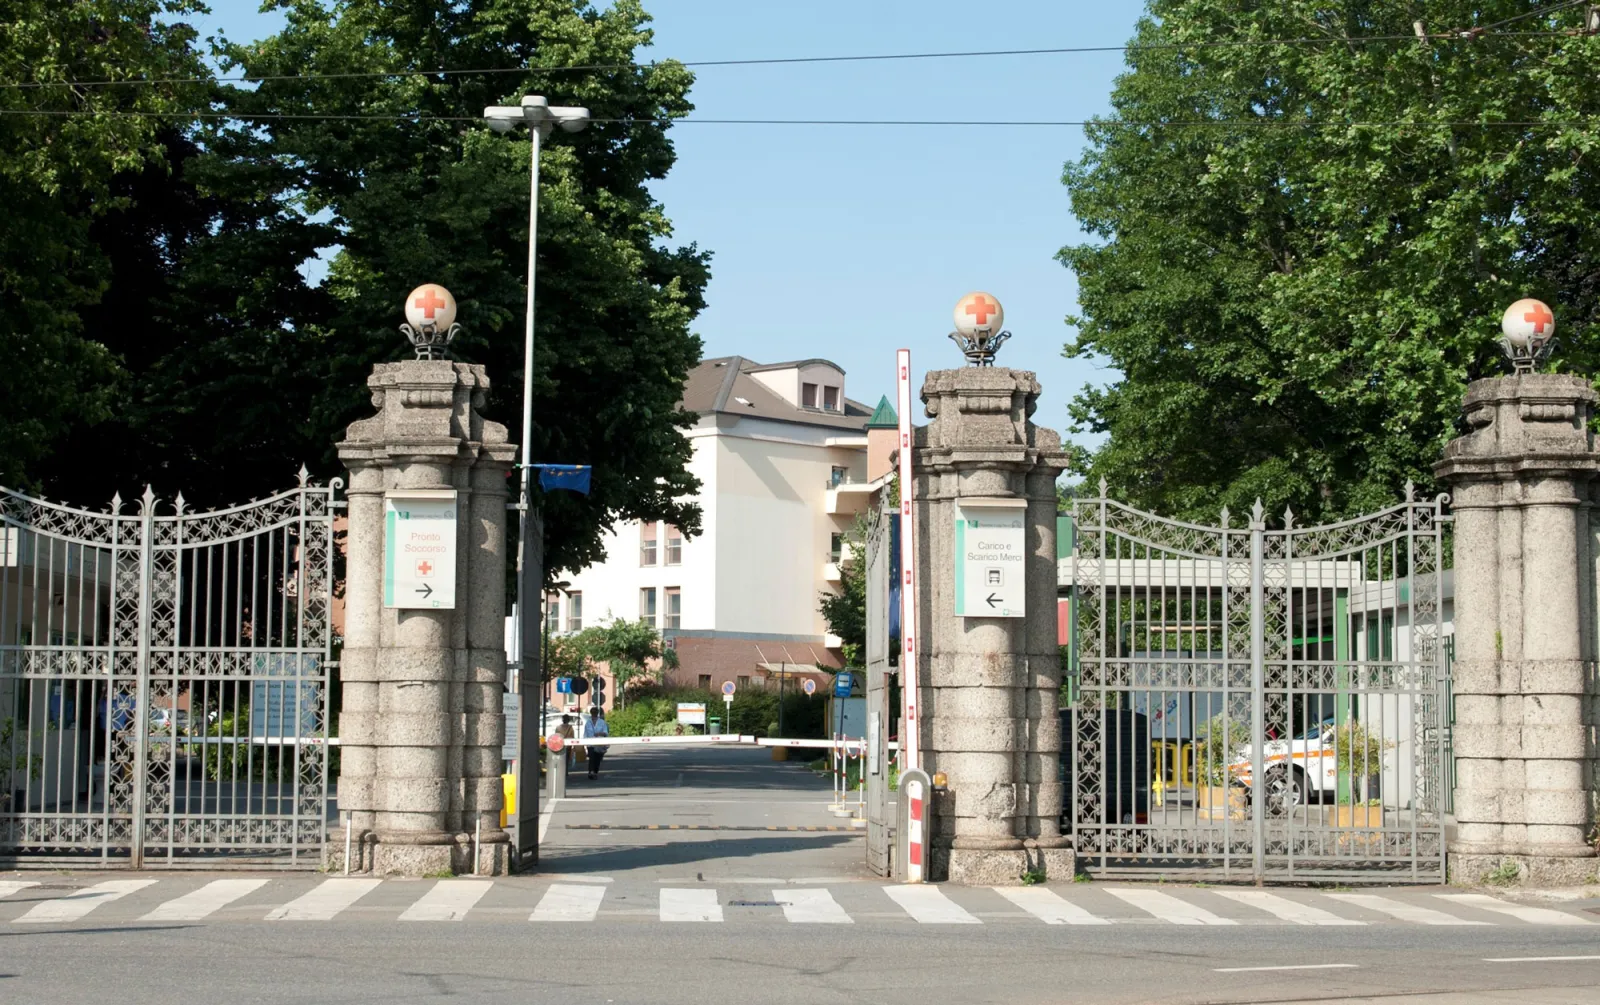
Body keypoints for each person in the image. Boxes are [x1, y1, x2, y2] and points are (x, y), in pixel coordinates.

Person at [583, 706, 610, 779]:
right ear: (591, 713)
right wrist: (584, 743)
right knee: (591, 758)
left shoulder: (602, 722)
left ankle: (595, 771)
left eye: (595, 713)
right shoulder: (588, 723)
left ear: (597, 713)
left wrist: (599, 733)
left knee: (597, 759)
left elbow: (606, 733)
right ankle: (591, 772)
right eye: (593, 713)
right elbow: (585, 733)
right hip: (590, 744)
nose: (594, 714)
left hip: (599, 744)